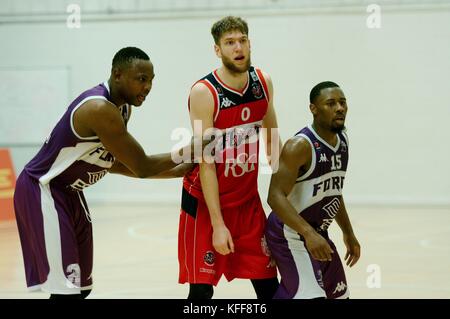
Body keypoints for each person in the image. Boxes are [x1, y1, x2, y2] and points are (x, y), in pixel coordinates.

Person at [13, 47, 195, 299]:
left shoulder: (122, 109)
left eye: (152, 80)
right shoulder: (99, 108)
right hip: (43, 190)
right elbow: (141, 166)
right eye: (141, 79)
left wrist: (177, 171)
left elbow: (116, 163)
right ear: (117, 74)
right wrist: (191, 150)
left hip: (70, 192)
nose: (148, 87)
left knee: (82, 288)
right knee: (67, 291)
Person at [178, 16, 281, 299]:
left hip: (247, 202)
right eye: (230, 43)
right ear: (217, 49)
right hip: (205, 205)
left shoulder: (263, 81)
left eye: (242, 41)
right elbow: (206, 162)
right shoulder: (204, 92)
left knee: (269, 287)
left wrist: (284, 200)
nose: (238, 48)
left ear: (249, 43)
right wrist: (219, 224)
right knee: (200, 294)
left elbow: (272, 139)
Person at [265, 81, 361, 299]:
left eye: (342, 102)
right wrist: (308, 233)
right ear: (314, 109)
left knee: (339, 296)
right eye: (331, 103)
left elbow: (332, 192)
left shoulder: (343, 141)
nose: (339, 108)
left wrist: (348, 232)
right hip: (289, 232)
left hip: (316, 233)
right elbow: (274, 196)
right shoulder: (299, 145)